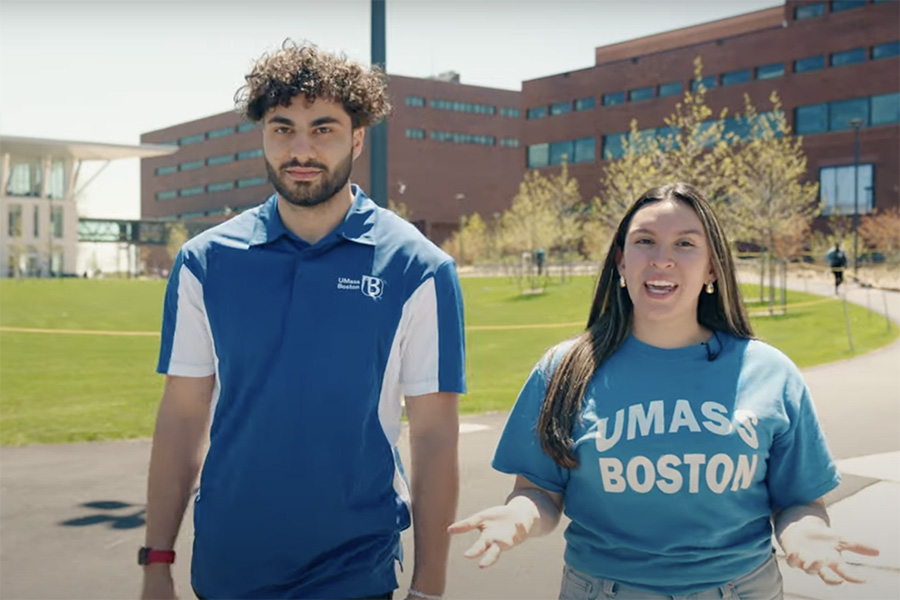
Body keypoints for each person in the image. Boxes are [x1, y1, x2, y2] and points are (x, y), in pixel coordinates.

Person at [141, 40, 466, 600]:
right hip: (228, 565)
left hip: (354, 571)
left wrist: (429, 589)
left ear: (357, 138)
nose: (300, 148)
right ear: (263, 136)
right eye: (282, 127)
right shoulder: (205, 261)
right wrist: (156, 564)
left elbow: (435, 436)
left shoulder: (419, 268)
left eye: (323, 129)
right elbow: (181, 418)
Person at [449, 183, 877, 599]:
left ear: (713, 267)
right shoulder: (563, 370)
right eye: (645, 241)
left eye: (685, 244)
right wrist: (518, 516)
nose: (662, 259)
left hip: (743, 588)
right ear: (621, 261)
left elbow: (801, 501)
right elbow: (538, 491)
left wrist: (808, 535)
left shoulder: (769, 372)